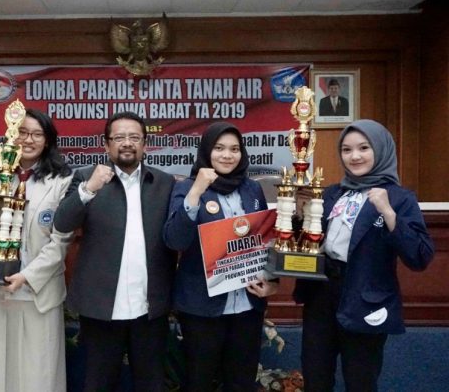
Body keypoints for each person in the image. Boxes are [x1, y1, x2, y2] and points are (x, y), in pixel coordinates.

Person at [294, 119, 434, 392]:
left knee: (361, 380)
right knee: (315, 375)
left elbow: (420, 256)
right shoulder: (333, 193)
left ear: (380, 150)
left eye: (363, 148)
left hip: (366, 297)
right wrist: (300, 215)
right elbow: (310, 240)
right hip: (321, 294)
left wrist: (388, 212)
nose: (354, 156)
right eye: (346, 150)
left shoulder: (399, 197)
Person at [54, 112, 176, 392]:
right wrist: (89, 189)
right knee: (98, 383)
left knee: (151, 384)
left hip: (150, 309)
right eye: (119, 137)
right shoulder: (85, 177)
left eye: (134, 137)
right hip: (101, 308)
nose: (127, 143)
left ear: (145, 144)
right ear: (105, 144)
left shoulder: (164, 183)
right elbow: (62, 224)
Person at [0, 108, 74, 392]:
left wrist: (26, 276)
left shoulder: (62, 180)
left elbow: (60, 242)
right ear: (11, 135)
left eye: (37, 134)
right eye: (22, 132)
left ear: (47, 141)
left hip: (38, 292)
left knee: (37, 373)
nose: (29, 140)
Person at [163, 122, 278, 392]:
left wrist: (272, 283)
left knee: (241, 381)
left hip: (247, 306)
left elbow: (263, 241)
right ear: (206, 151)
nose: (227, 155)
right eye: (219, 148)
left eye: (235, 149)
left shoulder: (252, 189)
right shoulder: (187, 188)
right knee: (199, 381)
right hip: (202, 307)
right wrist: (196, 192)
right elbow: (175, 240)